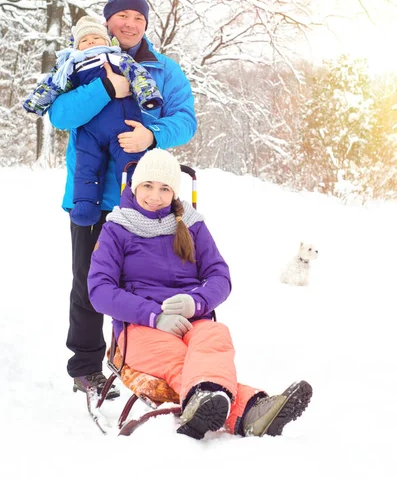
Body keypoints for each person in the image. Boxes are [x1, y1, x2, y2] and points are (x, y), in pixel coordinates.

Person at [87, 149, 313, 440]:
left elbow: (220, 275)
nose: (155, 196)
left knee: (215, 339)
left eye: (165, 188)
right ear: (134, 186)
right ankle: (251, 408)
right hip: (141, 327)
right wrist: (153, 316)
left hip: (194, 320)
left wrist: (197, 302)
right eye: (147, 186)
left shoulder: (191, 225)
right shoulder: (117, 230)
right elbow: (100, 291)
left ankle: (209, 403)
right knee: (183, 361)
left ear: (174, 192)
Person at [46, 0, 197, 399]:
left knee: (145, 284)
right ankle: (85, 367)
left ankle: (142, 360)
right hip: (91, 198)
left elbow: (185, 119)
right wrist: (107, 89)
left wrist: (153, 133)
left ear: (146, 25)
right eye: (121, 16)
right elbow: (60, 115)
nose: (129, 24)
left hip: (147, 200)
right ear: (106, 22)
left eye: (138, 18)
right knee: (90, 283)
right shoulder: (79, 65)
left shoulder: (164, 70)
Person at [23, 15, 163, 227]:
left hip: (124, 128)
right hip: (90, 132)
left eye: (95, 38)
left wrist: (148, 97)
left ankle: (136, 204)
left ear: (107, 41)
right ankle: (85, 204)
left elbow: (139, 76)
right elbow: (52, 85)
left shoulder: (119, 58)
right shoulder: (72, 65)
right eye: (84, 40)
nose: (90, 43)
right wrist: (36, 103)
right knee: (87, 167)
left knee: (131, 163)